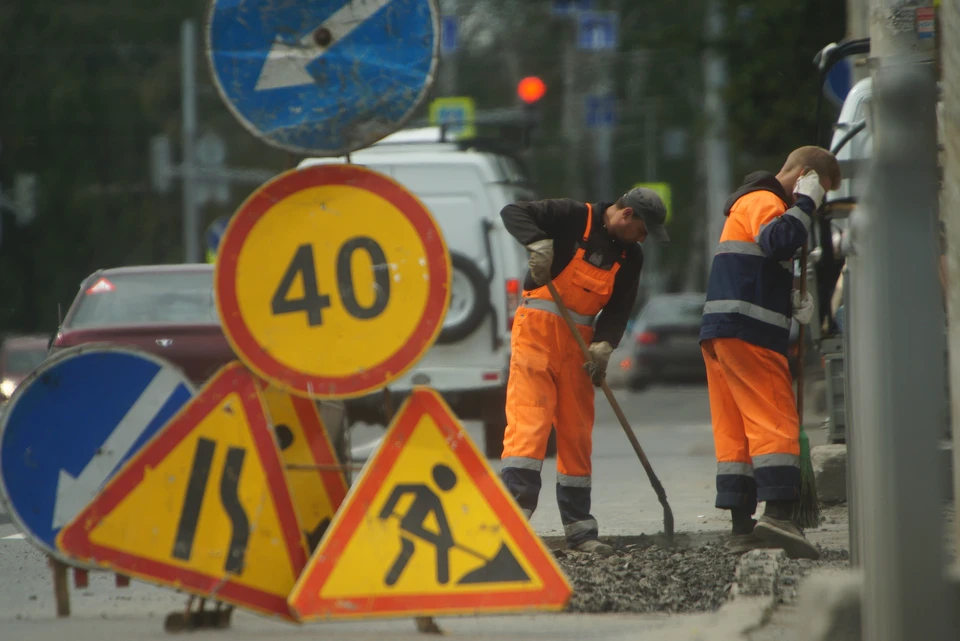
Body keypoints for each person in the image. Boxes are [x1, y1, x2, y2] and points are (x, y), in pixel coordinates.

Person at [499, 188, 669, 557]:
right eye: (643, 230)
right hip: (536, 333)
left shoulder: (630, 256)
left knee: (577, 433)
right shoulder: (573, 215)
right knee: (530, 426)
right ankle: (508, 526)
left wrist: (605, 344)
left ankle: (580, 531)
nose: (644, 239)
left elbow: (620, 307)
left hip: (580, 345)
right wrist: (538, 244)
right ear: (626, 215)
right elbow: (513, 212)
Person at [699, 146, 841, 560]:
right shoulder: (763, 200)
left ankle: (742, 527)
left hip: (728, 330)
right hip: (748, 330)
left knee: (738, 431)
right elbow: (778, 242)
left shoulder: (757, 204)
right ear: (804, 176)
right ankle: (779, 513)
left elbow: (767, 261)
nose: (821, 201)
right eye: (822, 190)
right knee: (774, 416)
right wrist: (806, 203)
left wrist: (793, 306)